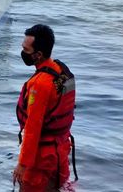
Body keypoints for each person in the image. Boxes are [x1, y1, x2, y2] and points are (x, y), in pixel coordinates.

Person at [13, 24, 76, 191]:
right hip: (61, 151)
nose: (23, 53)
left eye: (26, 50)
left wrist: (23, 164)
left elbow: (33, 128)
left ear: (38, 55)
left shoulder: (39, 85)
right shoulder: (61, 71)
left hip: (42, 159)